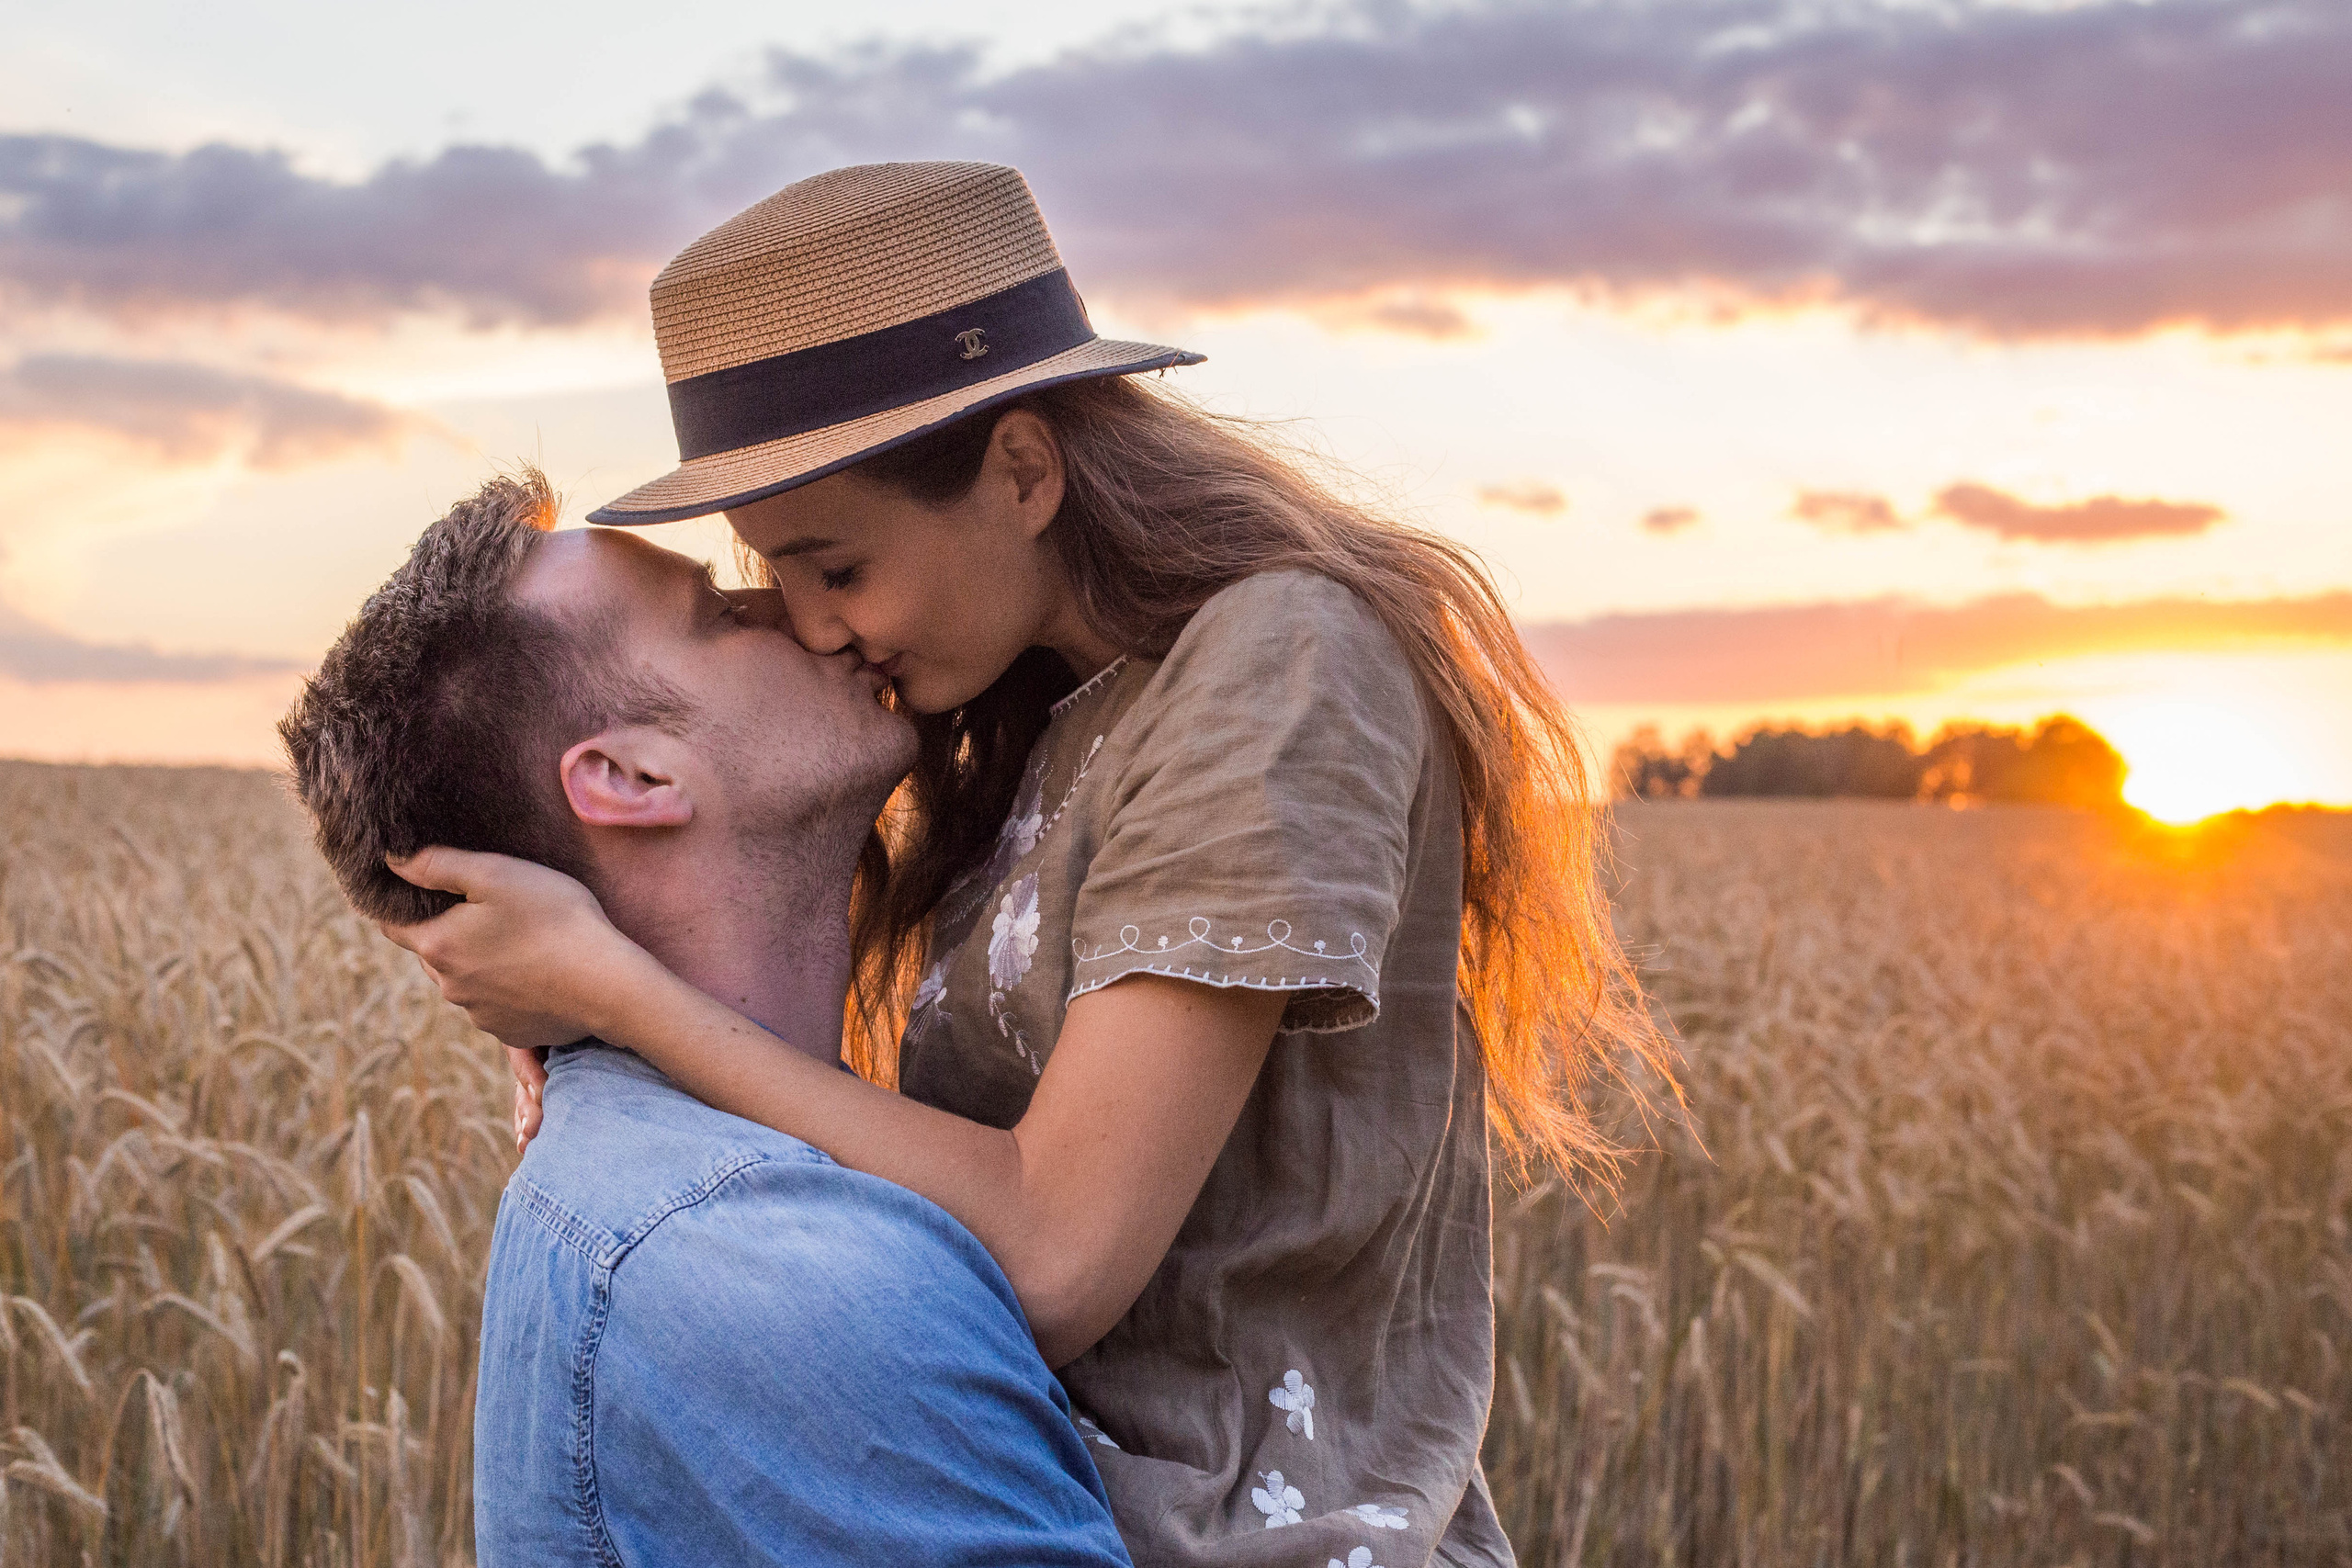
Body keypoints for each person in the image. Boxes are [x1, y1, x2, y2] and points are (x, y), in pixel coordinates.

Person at [385, 162, 1668, 1568]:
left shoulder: (1281, 660)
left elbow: (1055, 1256)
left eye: (836, 566)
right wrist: (601, 1049)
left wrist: (626, 996)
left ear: (1023, 470)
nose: (811, 627)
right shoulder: (1018, 703)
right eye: (771, 577)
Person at [278, 472, 1134, 1568]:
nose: (806, 616)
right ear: (632, 777)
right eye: (721, 616)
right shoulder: (781, 1276)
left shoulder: (656, 1175)